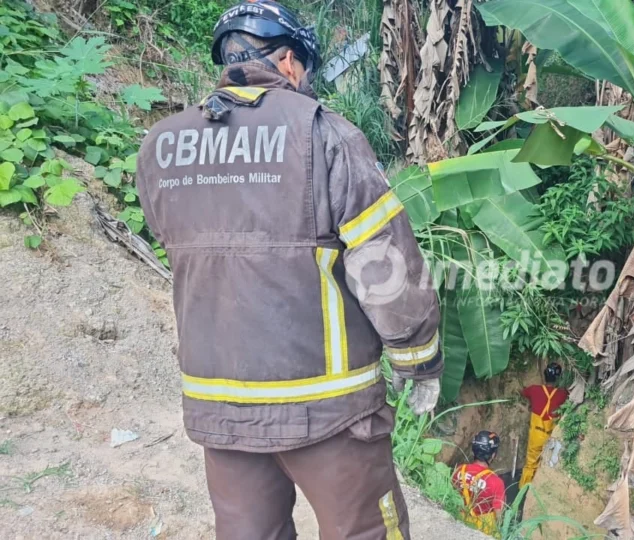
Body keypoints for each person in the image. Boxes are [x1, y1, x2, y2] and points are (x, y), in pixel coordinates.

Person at [135, 2, 443, 538]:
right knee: (366, 530)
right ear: (289, 63)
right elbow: (384, 263)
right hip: (327, 406)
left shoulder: (160, 146)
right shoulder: (323, 133)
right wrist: (418, 358)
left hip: (218, 401)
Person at [519, 363, 569, 488]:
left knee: (531, 464)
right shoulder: (562, 394)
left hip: (536, 437)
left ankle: (523, 491)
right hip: (551, 439)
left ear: (544, 375)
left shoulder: (534, 390)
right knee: (546, 465)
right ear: (558, 378)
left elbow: (522, 392)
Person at [453, 431, 507, 537]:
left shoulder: (459, 470)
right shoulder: (496, 482)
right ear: (493, 455)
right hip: (484, 532)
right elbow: (499, 516)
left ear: (474, 451)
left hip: (459, 525)